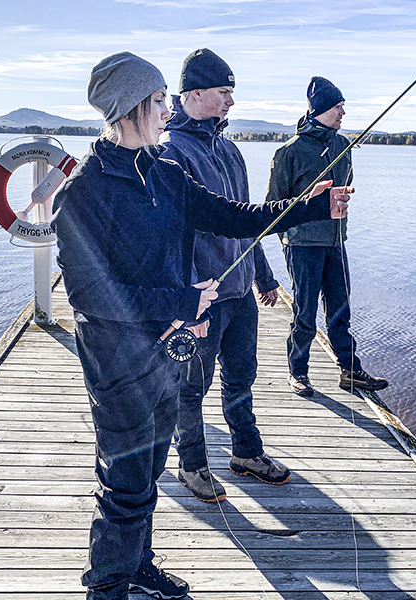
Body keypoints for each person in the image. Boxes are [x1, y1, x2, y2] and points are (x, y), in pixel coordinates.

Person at [51, 52, 351, 600]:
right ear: (132, 108)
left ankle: (137, 565)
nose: (168, 111)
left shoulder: (166, 175)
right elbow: (90, 296)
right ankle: (106, 587)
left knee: (150, 469)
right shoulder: (82, 194)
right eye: (160, 101)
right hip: (116, 362)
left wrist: (308, 207)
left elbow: (236, 216)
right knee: (124, 485)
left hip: (168, 355)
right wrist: (183, 299)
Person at [160, 48, 289, 503]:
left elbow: (248, 221)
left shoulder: (230, 149)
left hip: (240, 294)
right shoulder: (170, 151)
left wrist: (265, 275)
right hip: (202, 299)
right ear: (194, 94)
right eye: (224, 92)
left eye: (232, 92)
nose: (232, 101)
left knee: (242, 377)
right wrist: (186, 302)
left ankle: (246, 454)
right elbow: (172, 239)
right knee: (190, 386)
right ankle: (192, 465)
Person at [265, 76, 388, 397]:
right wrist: (290, 237)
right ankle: (299, 372)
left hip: (336, 242)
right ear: (320, 109)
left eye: (343, 105)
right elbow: (271, 207)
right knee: (305, 312)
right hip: (302, 245)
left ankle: (350, 371)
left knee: (340, 309)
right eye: (338, 106)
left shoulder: (342, 146)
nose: (343, 112)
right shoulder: (289, 152)